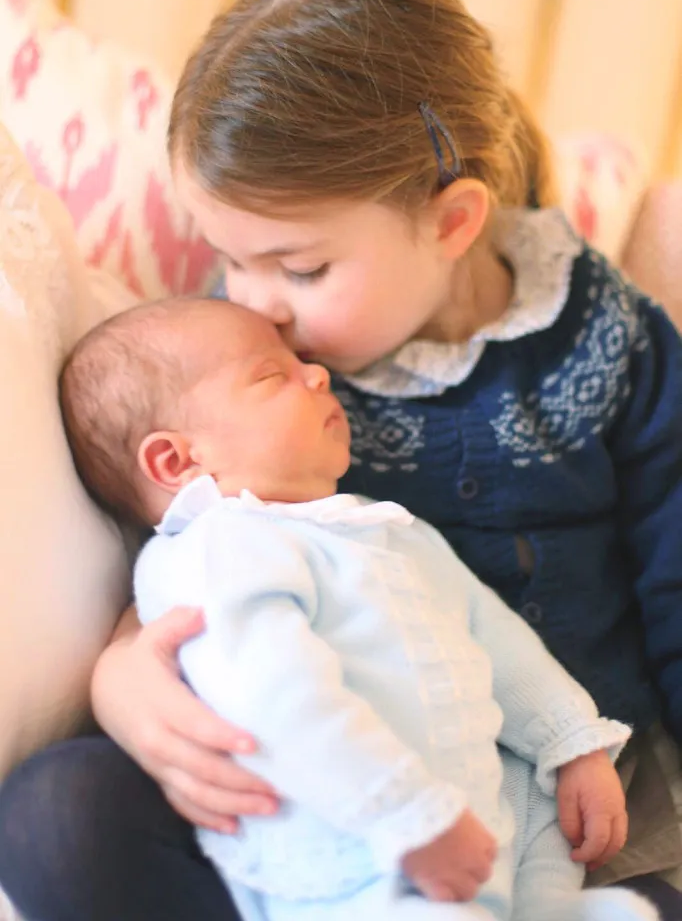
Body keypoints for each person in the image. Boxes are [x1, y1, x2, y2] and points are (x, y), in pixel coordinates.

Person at [1, 0, 681, 921]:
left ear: (452, 222)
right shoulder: (246, 351)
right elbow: (184, 538)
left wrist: (585, 752)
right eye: (230, 260)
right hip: (321, 776)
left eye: (300, 268)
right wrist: (119, 677)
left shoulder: (612, 342)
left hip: (558, 803)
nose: (255, 304)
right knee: (56, 817)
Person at [57, 295, 650, 921]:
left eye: (302, 363)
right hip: (361, 857)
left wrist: (569, 741)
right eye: (273, 375)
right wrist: (408, 815)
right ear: (178, 460)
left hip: (480, 824)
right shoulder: (217, 548)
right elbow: (277, 697)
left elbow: (495, 640)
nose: (318, 375)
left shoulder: (388, 530)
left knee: (544, 818)